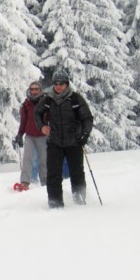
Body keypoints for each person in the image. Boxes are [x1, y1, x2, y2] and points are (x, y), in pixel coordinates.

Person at [34, 69, 93, 208]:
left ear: (67, 84)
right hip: (54, 142)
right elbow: (37, 113)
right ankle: (55, 203)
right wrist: (42, 127)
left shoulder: (76, 99)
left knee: (77, 173)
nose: (58, 86)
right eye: (56, 83)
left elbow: (87, 118)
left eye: (62, 83)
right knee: (53, 174)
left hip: (74, 142)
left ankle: (79, 201)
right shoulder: (48, 100)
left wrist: (84, 135)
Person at [14, 81, 47, 190]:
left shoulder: (46, 102)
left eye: (36, 89)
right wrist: (20, 134)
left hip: (43, 135)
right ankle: (25, 182)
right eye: (32, 89)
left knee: (43, 159)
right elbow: (24, 121)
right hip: (30, 136)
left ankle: (45, 182)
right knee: (27, 159)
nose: (34, 91)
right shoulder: (26, 104)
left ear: (40, 90)